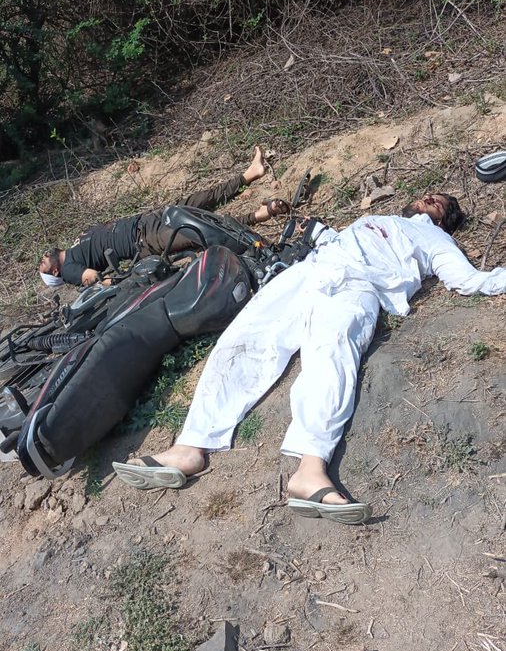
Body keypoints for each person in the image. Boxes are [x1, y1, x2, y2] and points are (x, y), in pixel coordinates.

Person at [113, 191, 506, 524]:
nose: (429, 198)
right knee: (243, 341)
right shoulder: (377, 218)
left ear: (444, 219)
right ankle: (190, 445)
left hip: (355, 287)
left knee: (331, 362)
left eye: (439, 202)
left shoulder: (436, 240)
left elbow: (468, 279)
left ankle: (311, 469)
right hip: (309, 271)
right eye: (428, 195)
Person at [38, 147, 289, 287]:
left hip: (145, 221)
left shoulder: (75, 246)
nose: (42, 258)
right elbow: (93, 279)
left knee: (201, 201)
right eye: (43, 266)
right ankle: (260, 215)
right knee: (202, 229)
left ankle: (250, 174)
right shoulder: (69, 270)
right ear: (55, 272)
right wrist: (104, 280)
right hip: (146, 241)